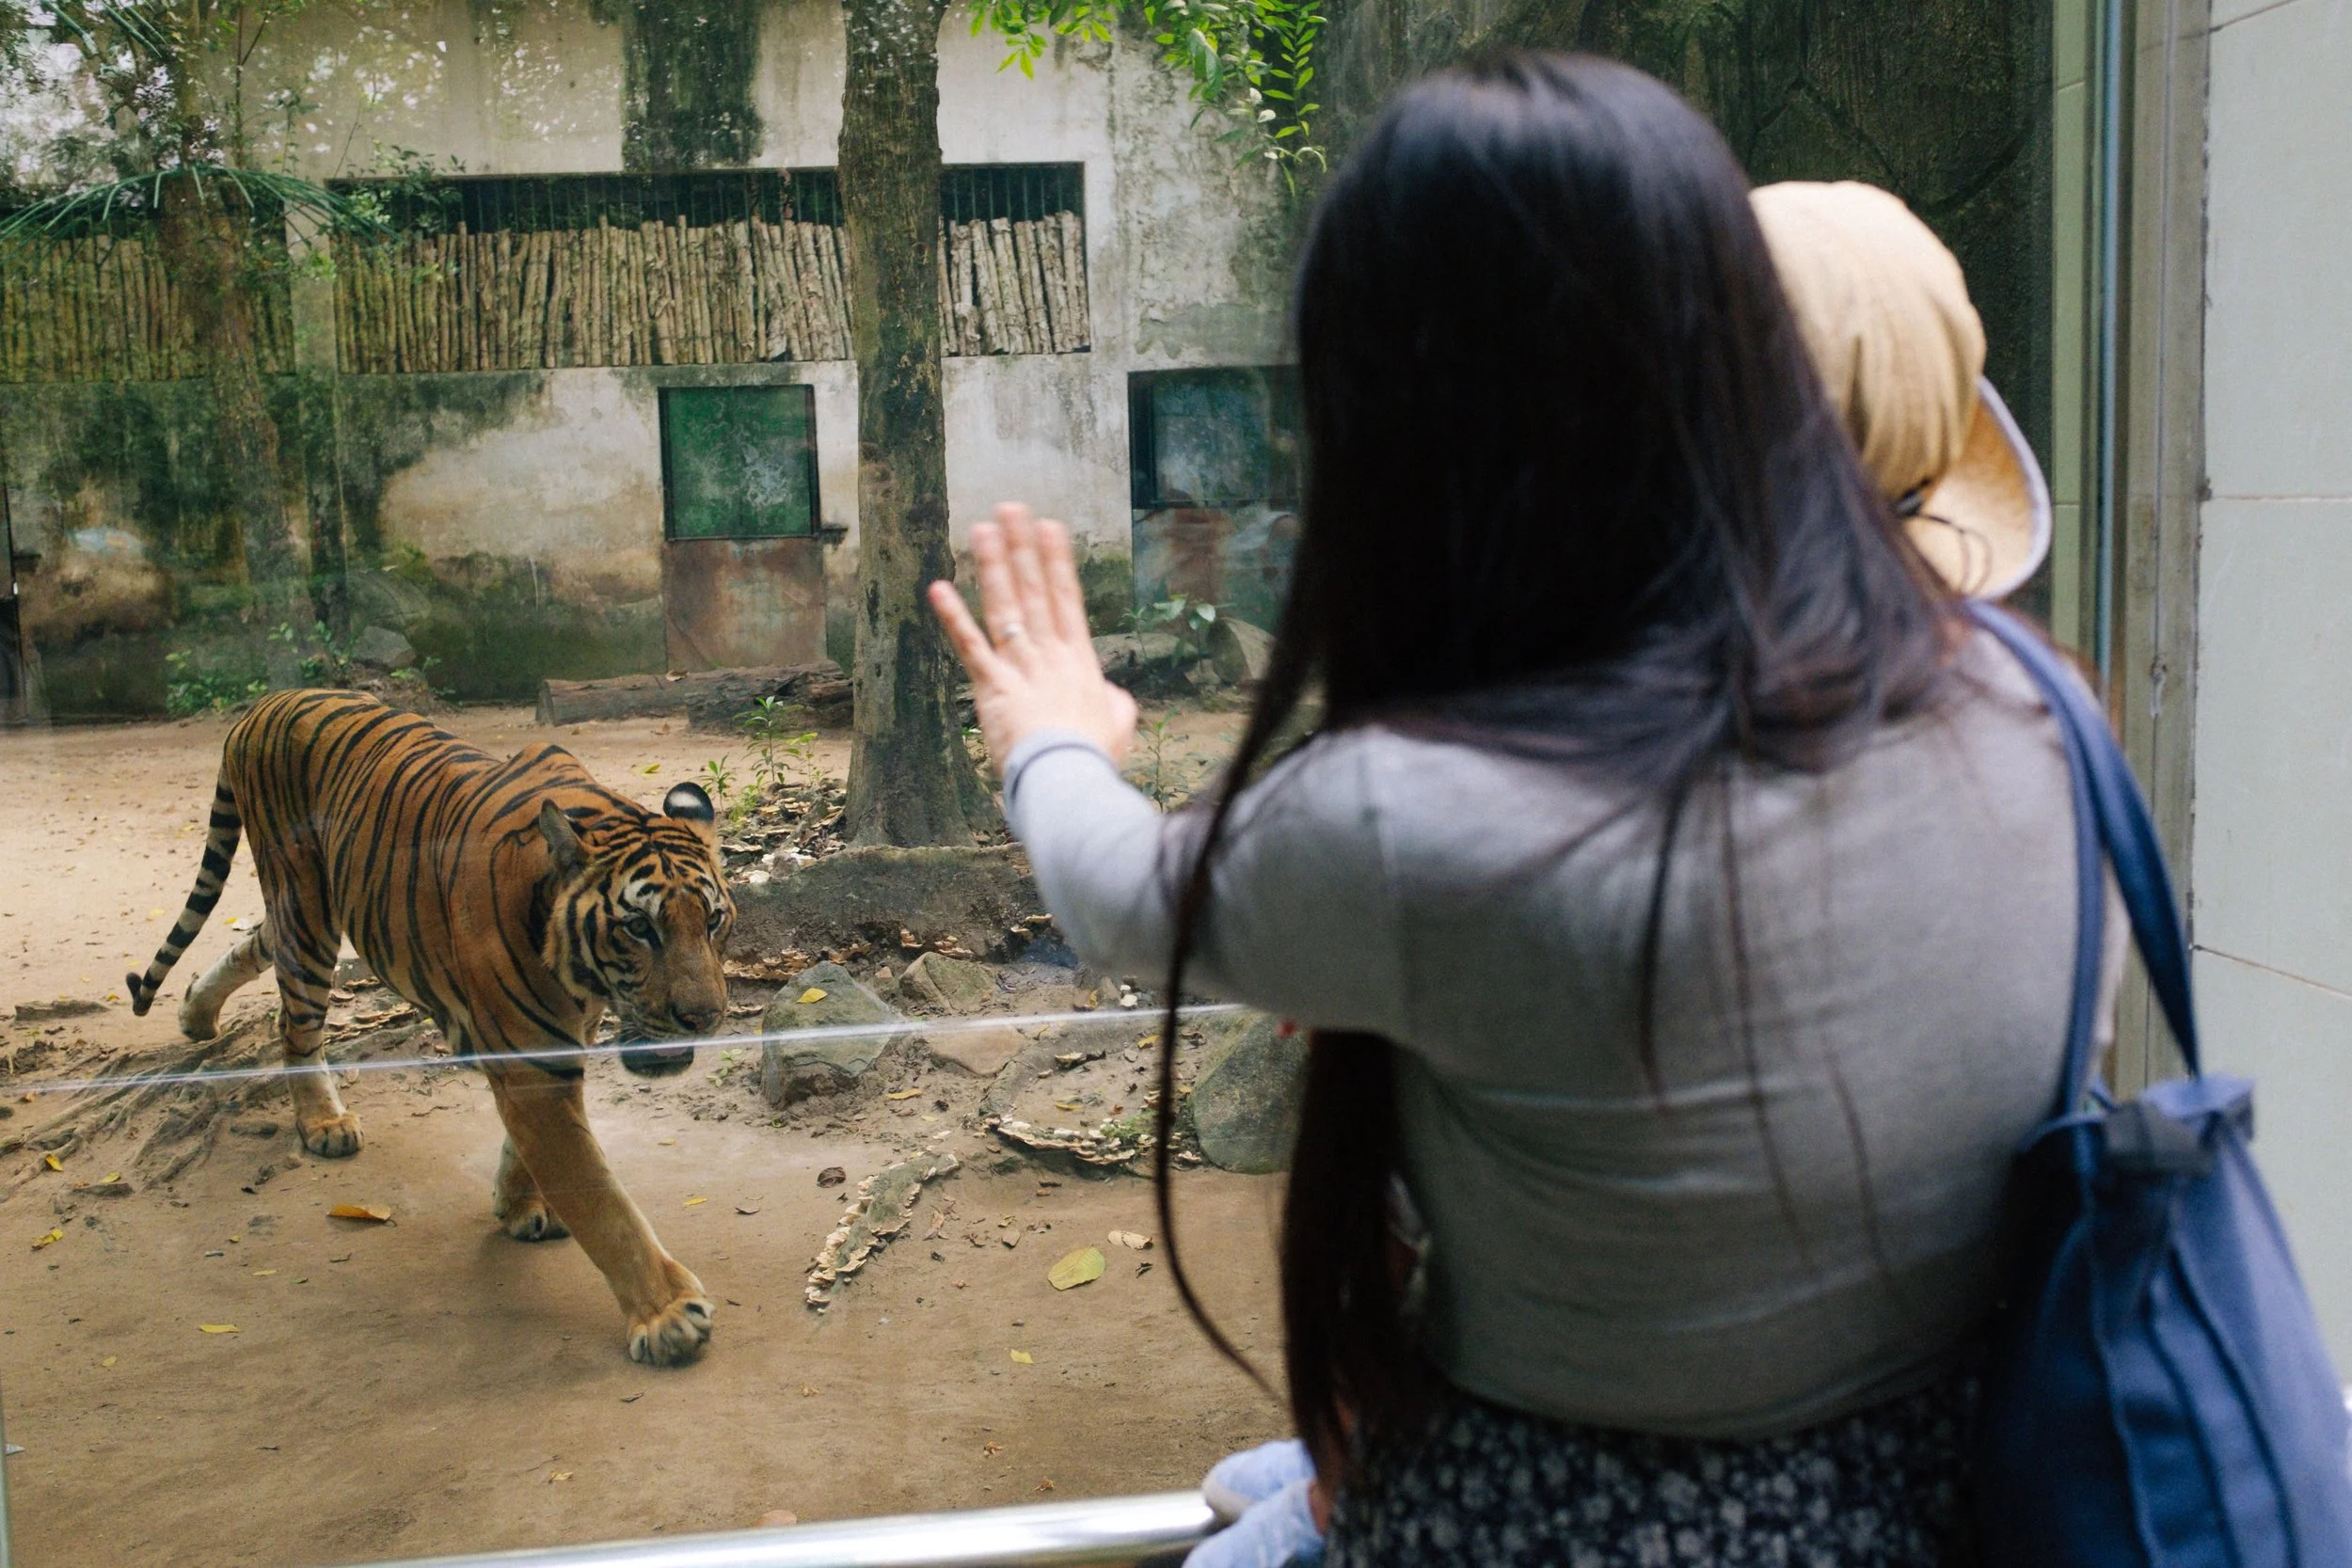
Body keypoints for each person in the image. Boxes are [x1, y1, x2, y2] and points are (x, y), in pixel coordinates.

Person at [929, 53, 2113, 1568]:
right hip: (1950, 1489)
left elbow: (1119, 896)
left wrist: (1053, 737)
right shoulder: (2046, 713)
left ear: (1401, 431)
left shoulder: (1438, 821)